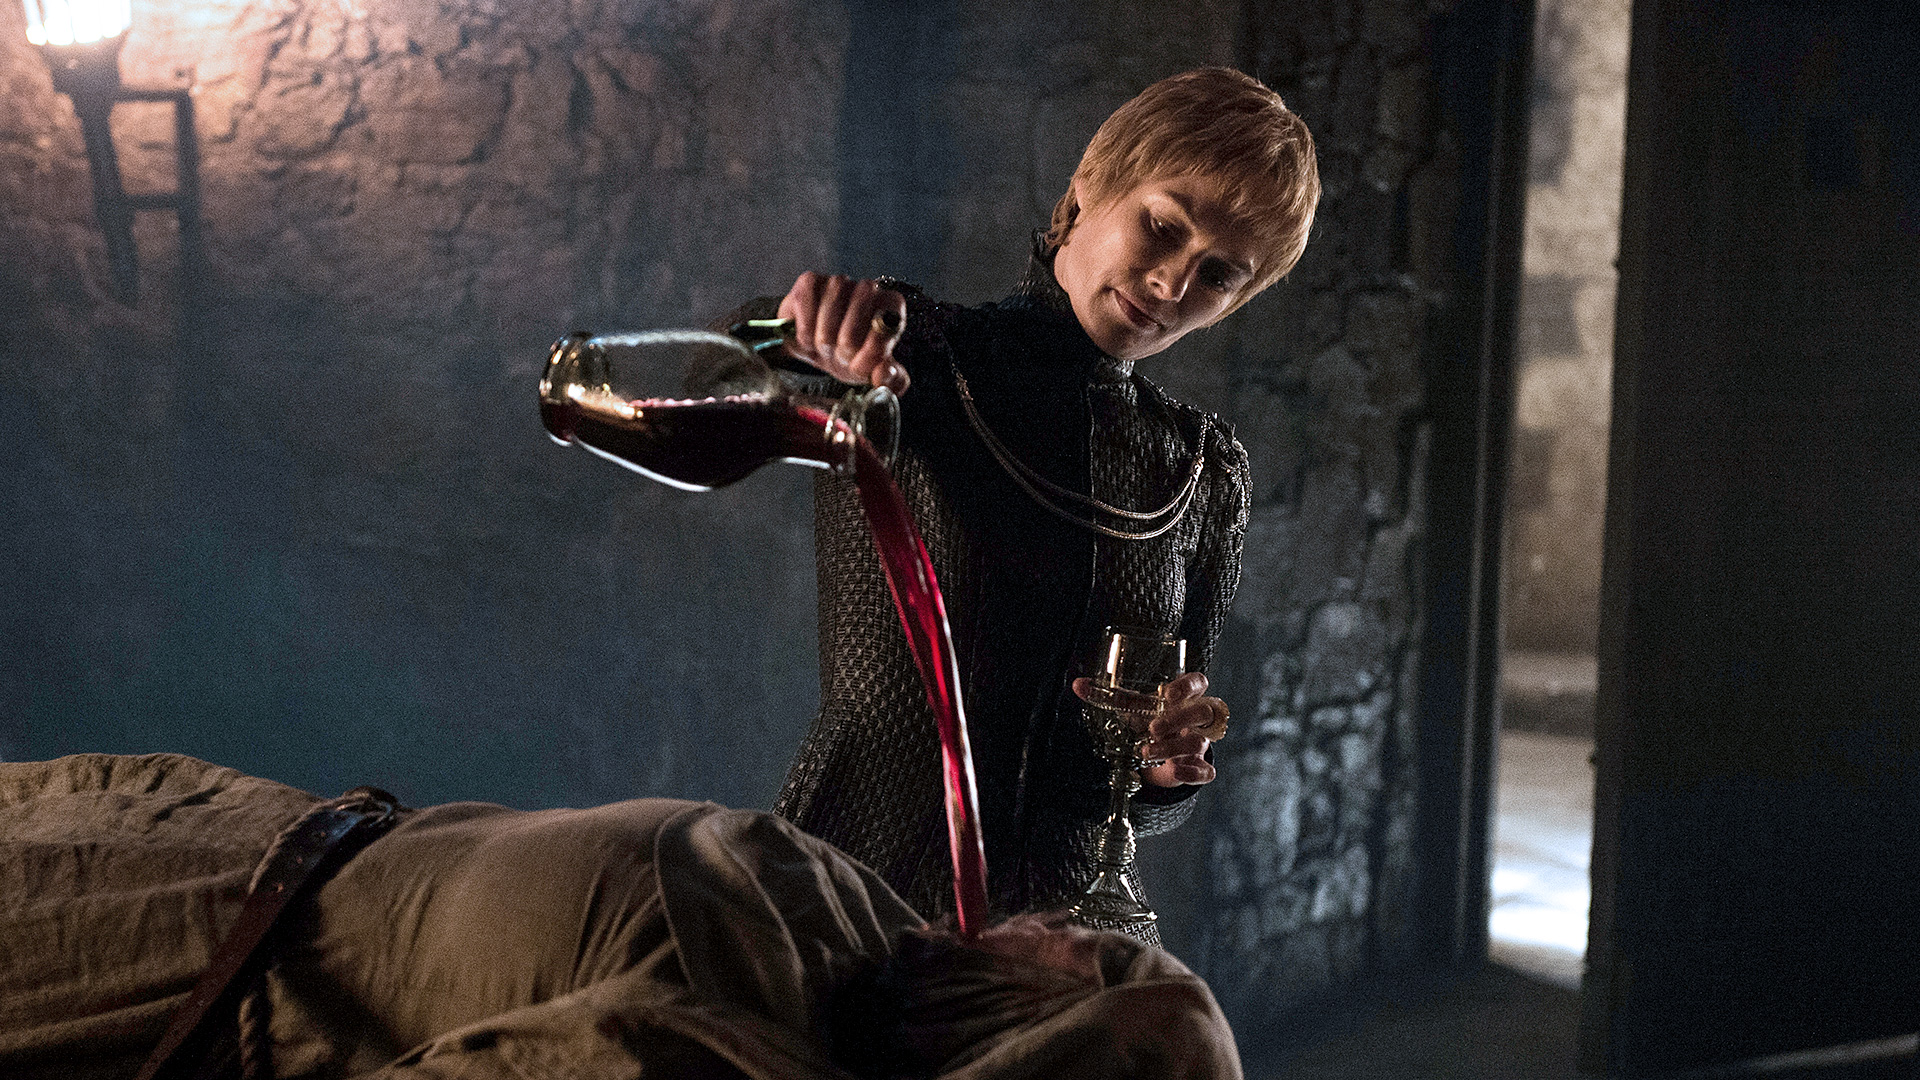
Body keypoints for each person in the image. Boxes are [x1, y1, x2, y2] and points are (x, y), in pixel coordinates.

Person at [758, 67, 1320, 938]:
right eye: (1163, 226)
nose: (1172, 286)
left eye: (1217, 275)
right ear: (1091, 183)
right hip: (854, 902)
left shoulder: (1201, 472)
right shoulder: (914, 356)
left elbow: (1144, 791)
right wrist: (784, 336)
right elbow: (696, 395)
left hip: (1072, 934)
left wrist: (1165, 766)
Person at [0, 752, 1242, 1080]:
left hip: (151, 975)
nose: (1049, 921)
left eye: (1085, 956)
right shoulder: (868, 940)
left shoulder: (707, 1054)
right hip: (218, 842)